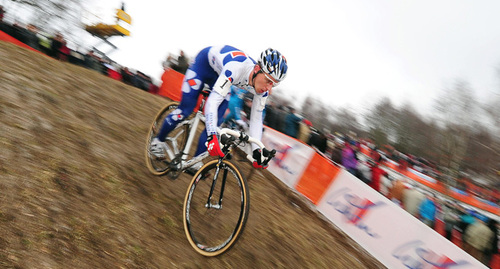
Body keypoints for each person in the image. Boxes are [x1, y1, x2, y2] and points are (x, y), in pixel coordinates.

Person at [150, 46, 288, 171]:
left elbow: (256, 119)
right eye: (269, 81)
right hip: (203, 67)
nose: (269, 89)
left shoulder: (263, 89)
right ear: (257, 69)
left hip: (219, 76)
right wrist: (212, 136)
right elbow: (212, 103)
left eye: (274, 85)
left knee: (216, 123)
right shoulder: (237, 68)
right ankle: (158, 141)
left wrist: (257, 150)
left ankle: (195, 162)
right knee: (186, 110)